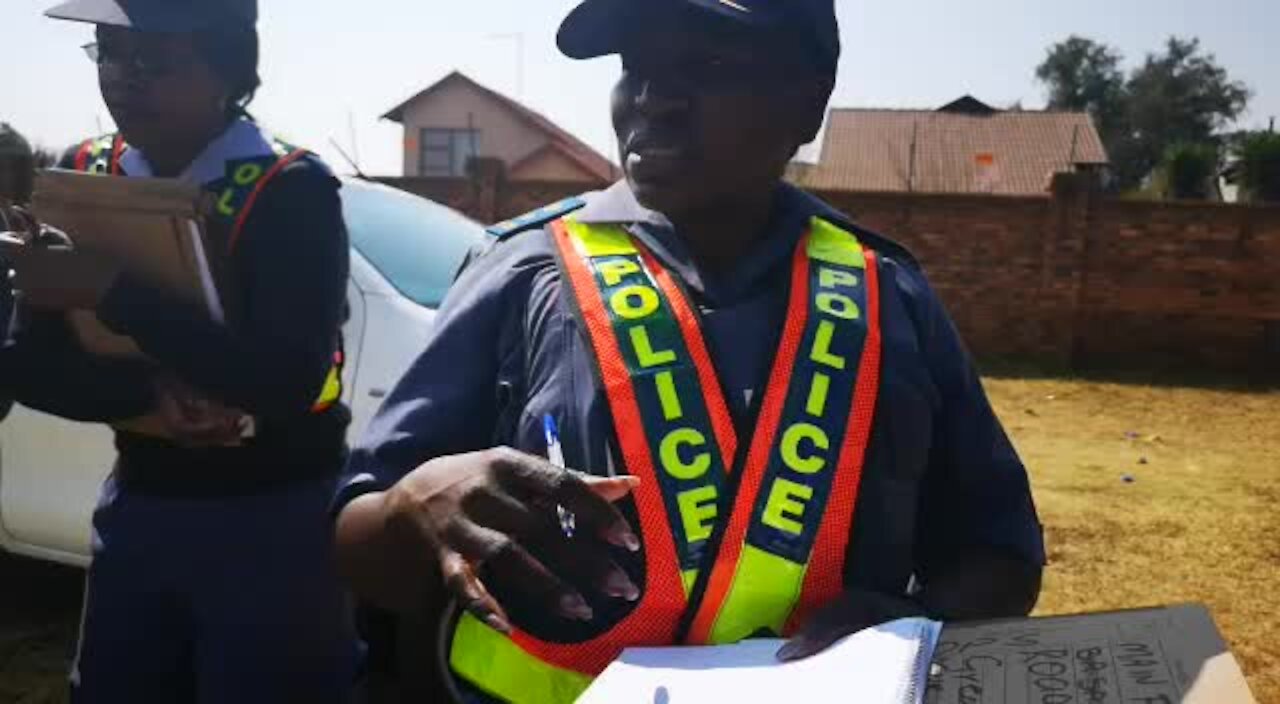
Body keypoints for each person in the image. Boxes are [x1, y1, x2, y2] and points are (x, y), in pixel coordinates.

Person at [334, 0, 1045, 701]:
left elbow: (1001, 556)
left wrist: (915, 625)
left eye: (705, 64)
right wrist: (411, 507)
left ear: (809, 102)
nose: (651, 99)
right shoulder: (524, 272)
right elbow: (360, 545)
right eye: (633, 66)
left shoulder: (888, 295)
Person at [0, 0, 358, 701]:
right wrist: (145, 397)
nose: (124, 79)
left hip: (278, 521)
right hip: (139, 511)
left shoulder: (291, 189)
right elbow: (26, 364)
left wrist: (115, 292)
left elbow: (284, 380)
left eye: (154, 59)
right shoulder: (80, 173)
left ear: (227, 67)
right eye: (108, 51)